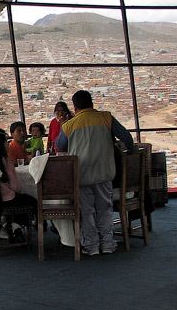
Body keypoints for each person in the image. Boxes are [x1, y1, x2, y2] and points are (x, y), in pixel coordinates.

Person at [55, 90, 134, 256]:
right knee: (105, 209)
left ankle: (91, 246)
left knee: (86, 211)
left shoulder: (70, 125)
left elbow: (60, 146)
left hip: (81, 174)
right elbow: (126, 138)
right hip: (104, 172)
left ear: (74, 107)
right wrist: (129, 152)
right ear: (91, 102)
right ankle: (107, 244)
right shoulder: (105, 118)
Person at [0, 131, 37, 242]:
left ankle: (10, 224)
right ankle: (16, 224)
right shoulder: (6, 160)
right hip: (8, 198)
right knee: (32, 201)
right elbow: (15, 186)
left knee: (23, 199)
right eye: (6, 142)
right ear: (1, 145)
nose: (8, 145)